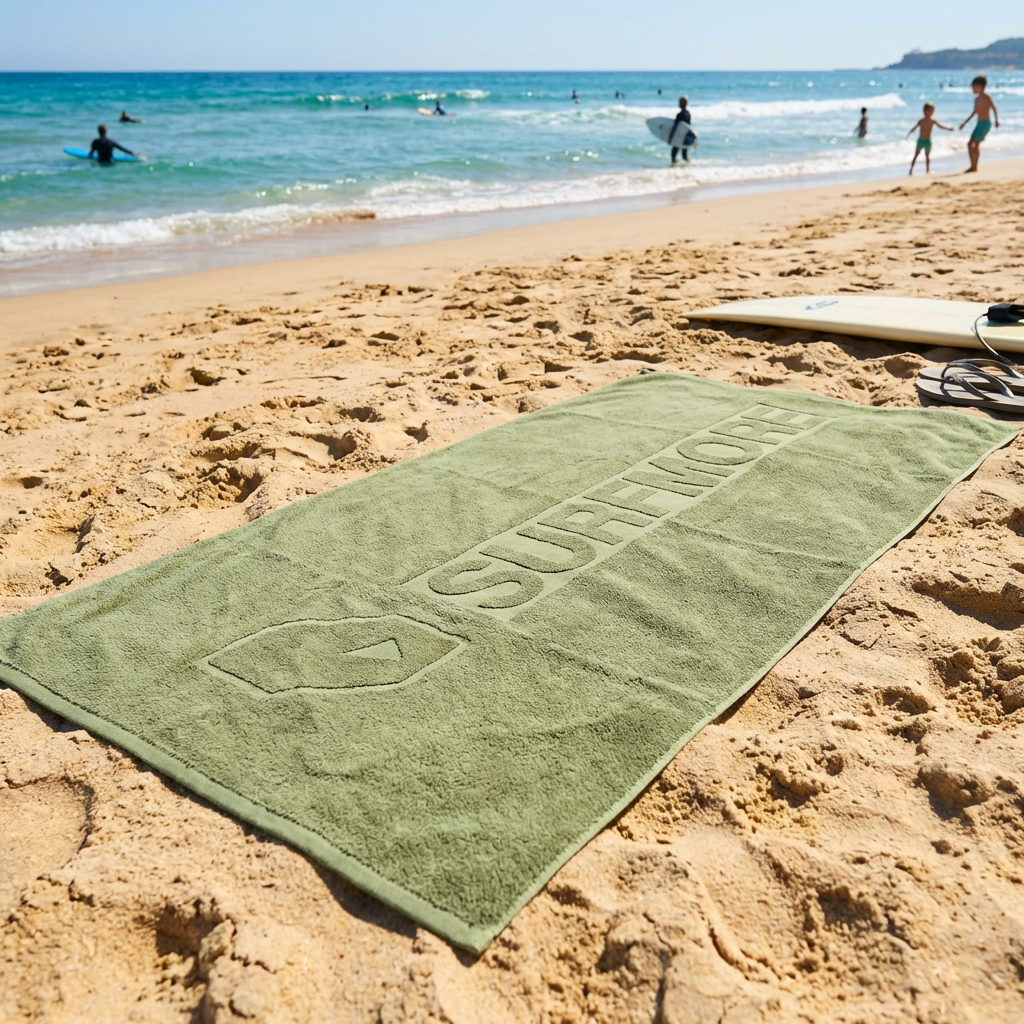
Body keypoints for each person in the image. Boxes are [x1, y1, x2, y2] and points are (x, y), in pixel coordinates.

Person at [960, 75, 999, 173]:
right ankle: (973, 165)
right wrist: (964, 123)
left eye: (974, 87)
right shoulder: (977, 99)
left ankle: (974, 167)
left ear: (980, 86)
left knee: (974, 144)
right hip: (979, 123)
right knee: (971, 144)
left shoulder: (986, 97)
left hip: (985, 123)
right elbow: (974, 113)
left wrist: (997, 120)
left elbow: (994, 108)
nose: (972, 89)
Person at [906, 102, 952, 175]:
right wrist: (909, 133)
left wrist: (948, 128)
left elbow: (941, 126)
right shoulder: (921, 121)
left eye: (932, 111)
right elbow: (914, 128)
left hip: (928, 141)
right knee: (916, 155)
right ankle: (911, 169)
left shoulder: (933, 121)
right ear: (924, 111)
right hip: (920, 140)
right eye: (928, 111)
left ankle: (927, 170)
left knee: (927, 156)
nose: (930, 113)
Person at [669, 96, 695, 165]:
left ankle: (673, 168)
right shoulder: (688, 114)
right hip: (686, 137)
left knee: (673, 154)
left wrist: (670, 138)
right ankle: (687, 168)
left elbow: (675, 127)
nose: (679, 104)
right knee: (684, 155)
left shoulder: (680, 115)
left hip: (679, 137)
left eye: (680, 102)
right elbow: (689, 126)